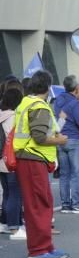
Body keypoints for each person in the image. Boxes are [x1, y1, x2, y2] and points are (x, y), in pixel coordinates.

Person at [12, 70, 68, 258]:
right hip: (33, 159)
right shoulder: (39, 106)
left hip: (28, 158)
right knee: (39, 204)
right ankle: (39, 250)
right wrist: (60, 140)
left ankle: (45, 247)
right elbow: (40, 137)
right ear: (48, 87)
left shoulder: (26, 102)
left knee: (39, 203)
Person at [52, 75, 79, 214]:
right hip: (74, 139)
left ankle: (65, 204)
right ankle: (77, 203)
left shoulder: (57, 101)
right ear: (76, 88)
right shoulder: (75, 103)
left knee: (64, 174)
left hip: (60, 138)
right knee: (77, 173)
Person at [1, 84, 25, 239]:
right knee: (15, 192)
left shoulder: (1, 115)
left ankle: (4, 222)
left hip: (0, 159)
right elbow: (15, 140)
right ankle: (14, 227)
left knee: (7, 192)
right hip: (10, 159)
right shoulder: (13, 117)